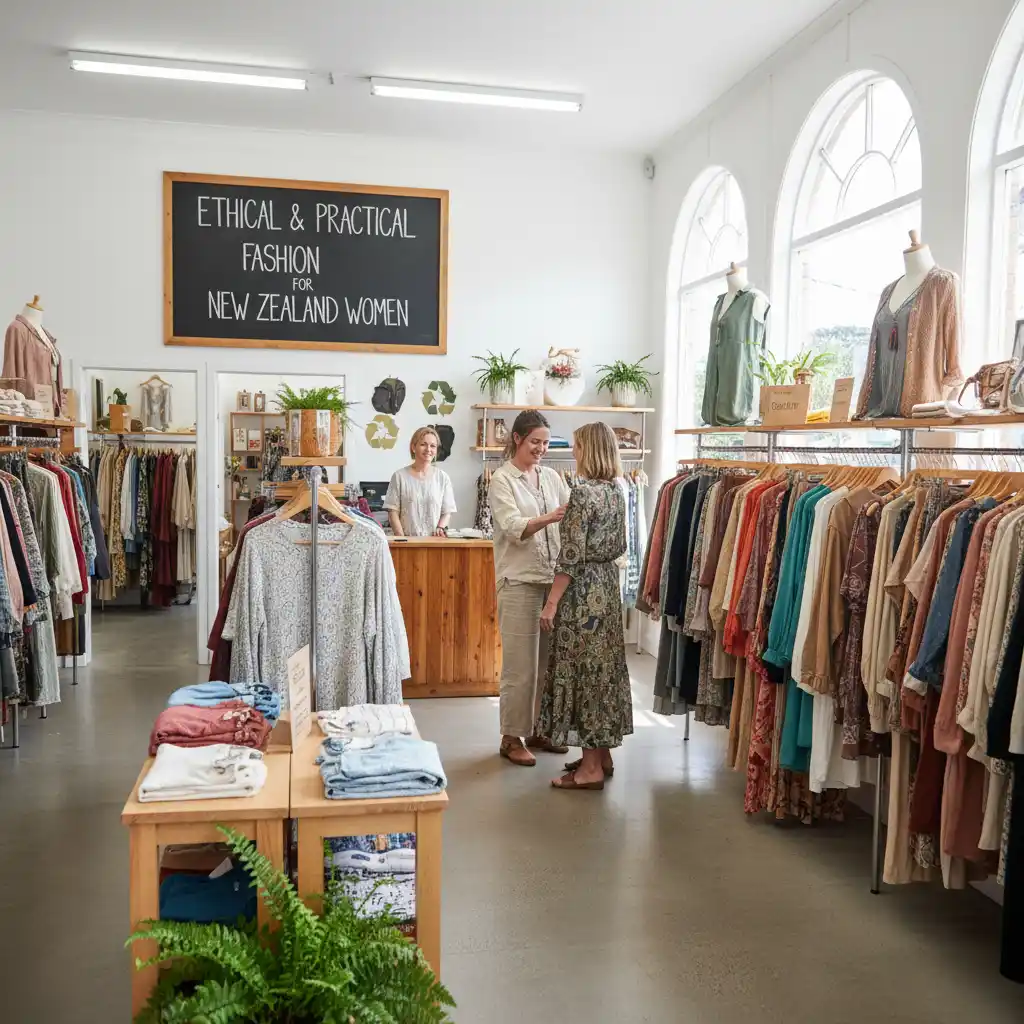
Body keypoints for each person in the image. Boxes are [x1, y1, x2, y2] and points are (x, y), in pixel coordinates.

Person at [536, 421, 633, 790]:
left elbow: (571, 556)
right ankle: (601, 755)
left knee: (583, 671)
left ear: (588, 450)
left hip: (582, 595)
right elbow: (621, 545)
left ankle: (589, 771)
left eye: (577, 446)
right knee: (603, 669)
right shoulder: (616, 492)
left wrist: (551, 603)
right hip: (607, 588)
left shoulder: (583, 494)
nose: (573, 452)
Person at [488, 410, 571, 766]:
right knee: (520, 667)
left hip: (551, 583)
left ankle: (538, 728)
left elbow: (572, 515)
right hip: (519, 581)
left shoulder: (552, 477)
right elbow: (511, 527)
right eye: (535, 441)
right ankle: (511, 736)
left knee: (547, 664)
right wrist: (550, 517)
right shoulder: (501, 481)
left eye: (546, 442)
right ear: (518, 439)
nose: (541, 448)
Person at [384, 426, 456, 538]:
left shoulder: (442, 478)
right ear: (413, 447)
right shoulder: (399, 477)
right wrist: (402, 538)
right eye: (423, 444)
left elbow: (447, 511)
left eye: (433, 446)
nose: (428, 449)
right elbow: (393, 512)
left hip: (435, 543)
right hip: (407, 542)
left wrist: (440, 527)